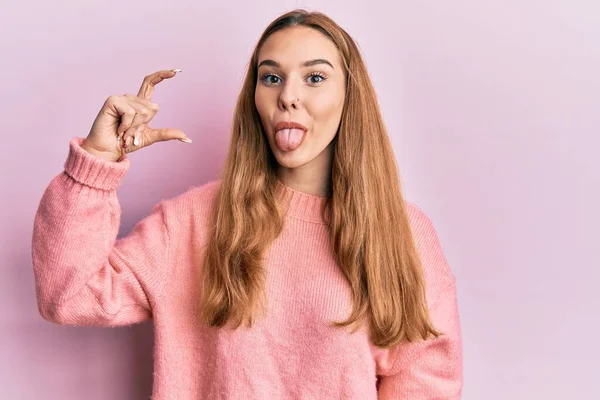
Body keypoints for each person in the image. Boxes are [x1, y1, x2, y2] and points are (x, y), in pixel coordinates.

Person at [31, 9, 463, 400]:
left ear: (350, 96)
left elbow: (425, 383)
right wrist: (97, 160)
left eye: (315, 78)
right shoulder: (191, 223)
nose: (288, 96)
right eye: (271, 77)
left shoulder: (402, 232)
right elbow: (67, 296)